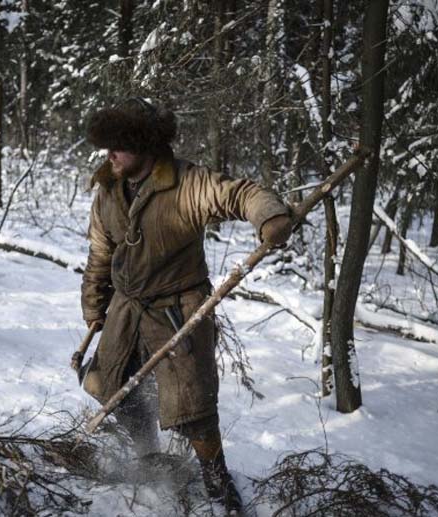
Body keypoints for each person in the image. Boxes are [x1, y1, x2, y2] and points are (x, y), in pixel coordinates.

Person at [79, 97, 292, 514]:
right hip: (126, 306)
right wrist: (95, 305)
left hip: (178, 306)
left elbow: (241, 193)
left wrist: (268, 216)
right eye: (108, 146)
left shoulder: (186, 183)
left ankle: (216, 478)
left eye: (119, 145)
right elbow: (100, 253)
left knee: (192, 401)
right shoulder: (108, 188)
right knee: (113, 385)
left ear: (145, 145)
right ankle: (146, 454)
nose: (110, 155)